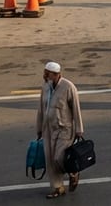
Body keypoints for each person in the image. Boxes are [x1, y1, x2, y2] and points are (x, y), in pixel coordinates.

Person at [36, 62, 84, 199]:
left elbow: (76, 108)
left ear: (56, 74)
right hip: (48, 129)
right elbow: (41, 109)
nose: (45, 75)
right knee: (50, 160)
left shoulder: (68, 87)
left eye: (48, 73)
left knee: (59, 157)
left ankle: (73, 172)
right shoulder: (45, 87)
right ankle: (58, 187)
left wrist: (79, 129)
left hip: (64, 128)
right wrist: (39, 128)